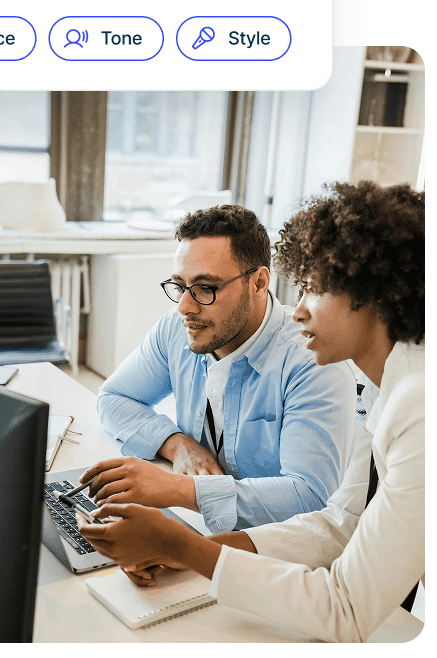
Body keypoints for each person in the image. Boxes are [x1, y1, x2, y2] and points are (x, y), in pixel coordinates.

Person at [77, 182, 425, 643]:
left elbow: (344, 608)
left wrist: (180, 543)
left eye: (314, 289)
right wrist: (190, 550)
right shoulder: (392, 391)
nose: (298, 311)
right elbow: (339, 526)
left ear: (375, 296)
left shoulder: (418, 410)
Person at [81, 204, 356, 533]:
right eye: (179, 286)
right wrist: (178, 444)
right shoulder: (179, 328)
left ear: (258, 283)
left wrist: (177, 489)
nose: (185, 306)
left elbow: (310, 499)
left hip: (277, 550)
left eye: (205, 288)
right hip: (200, 526)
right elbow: (113, 397)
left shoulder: (312, 362)